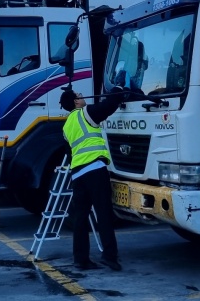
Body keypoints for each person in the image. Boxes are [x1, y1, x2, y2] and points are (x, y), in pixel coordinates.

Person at [59, 71, 130, 272]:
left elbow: (70, 153)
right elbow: (108, 106)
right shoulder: (86, 114)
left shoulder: (66, 127)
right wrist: (118, 88)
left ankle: (80, 259)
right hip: (95, 171)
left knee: (80, 218)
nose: (83, 98)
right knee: (104, 214)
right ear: (75, 102)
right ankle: (110, 256)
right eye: (80, 96)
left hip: (78, 176)